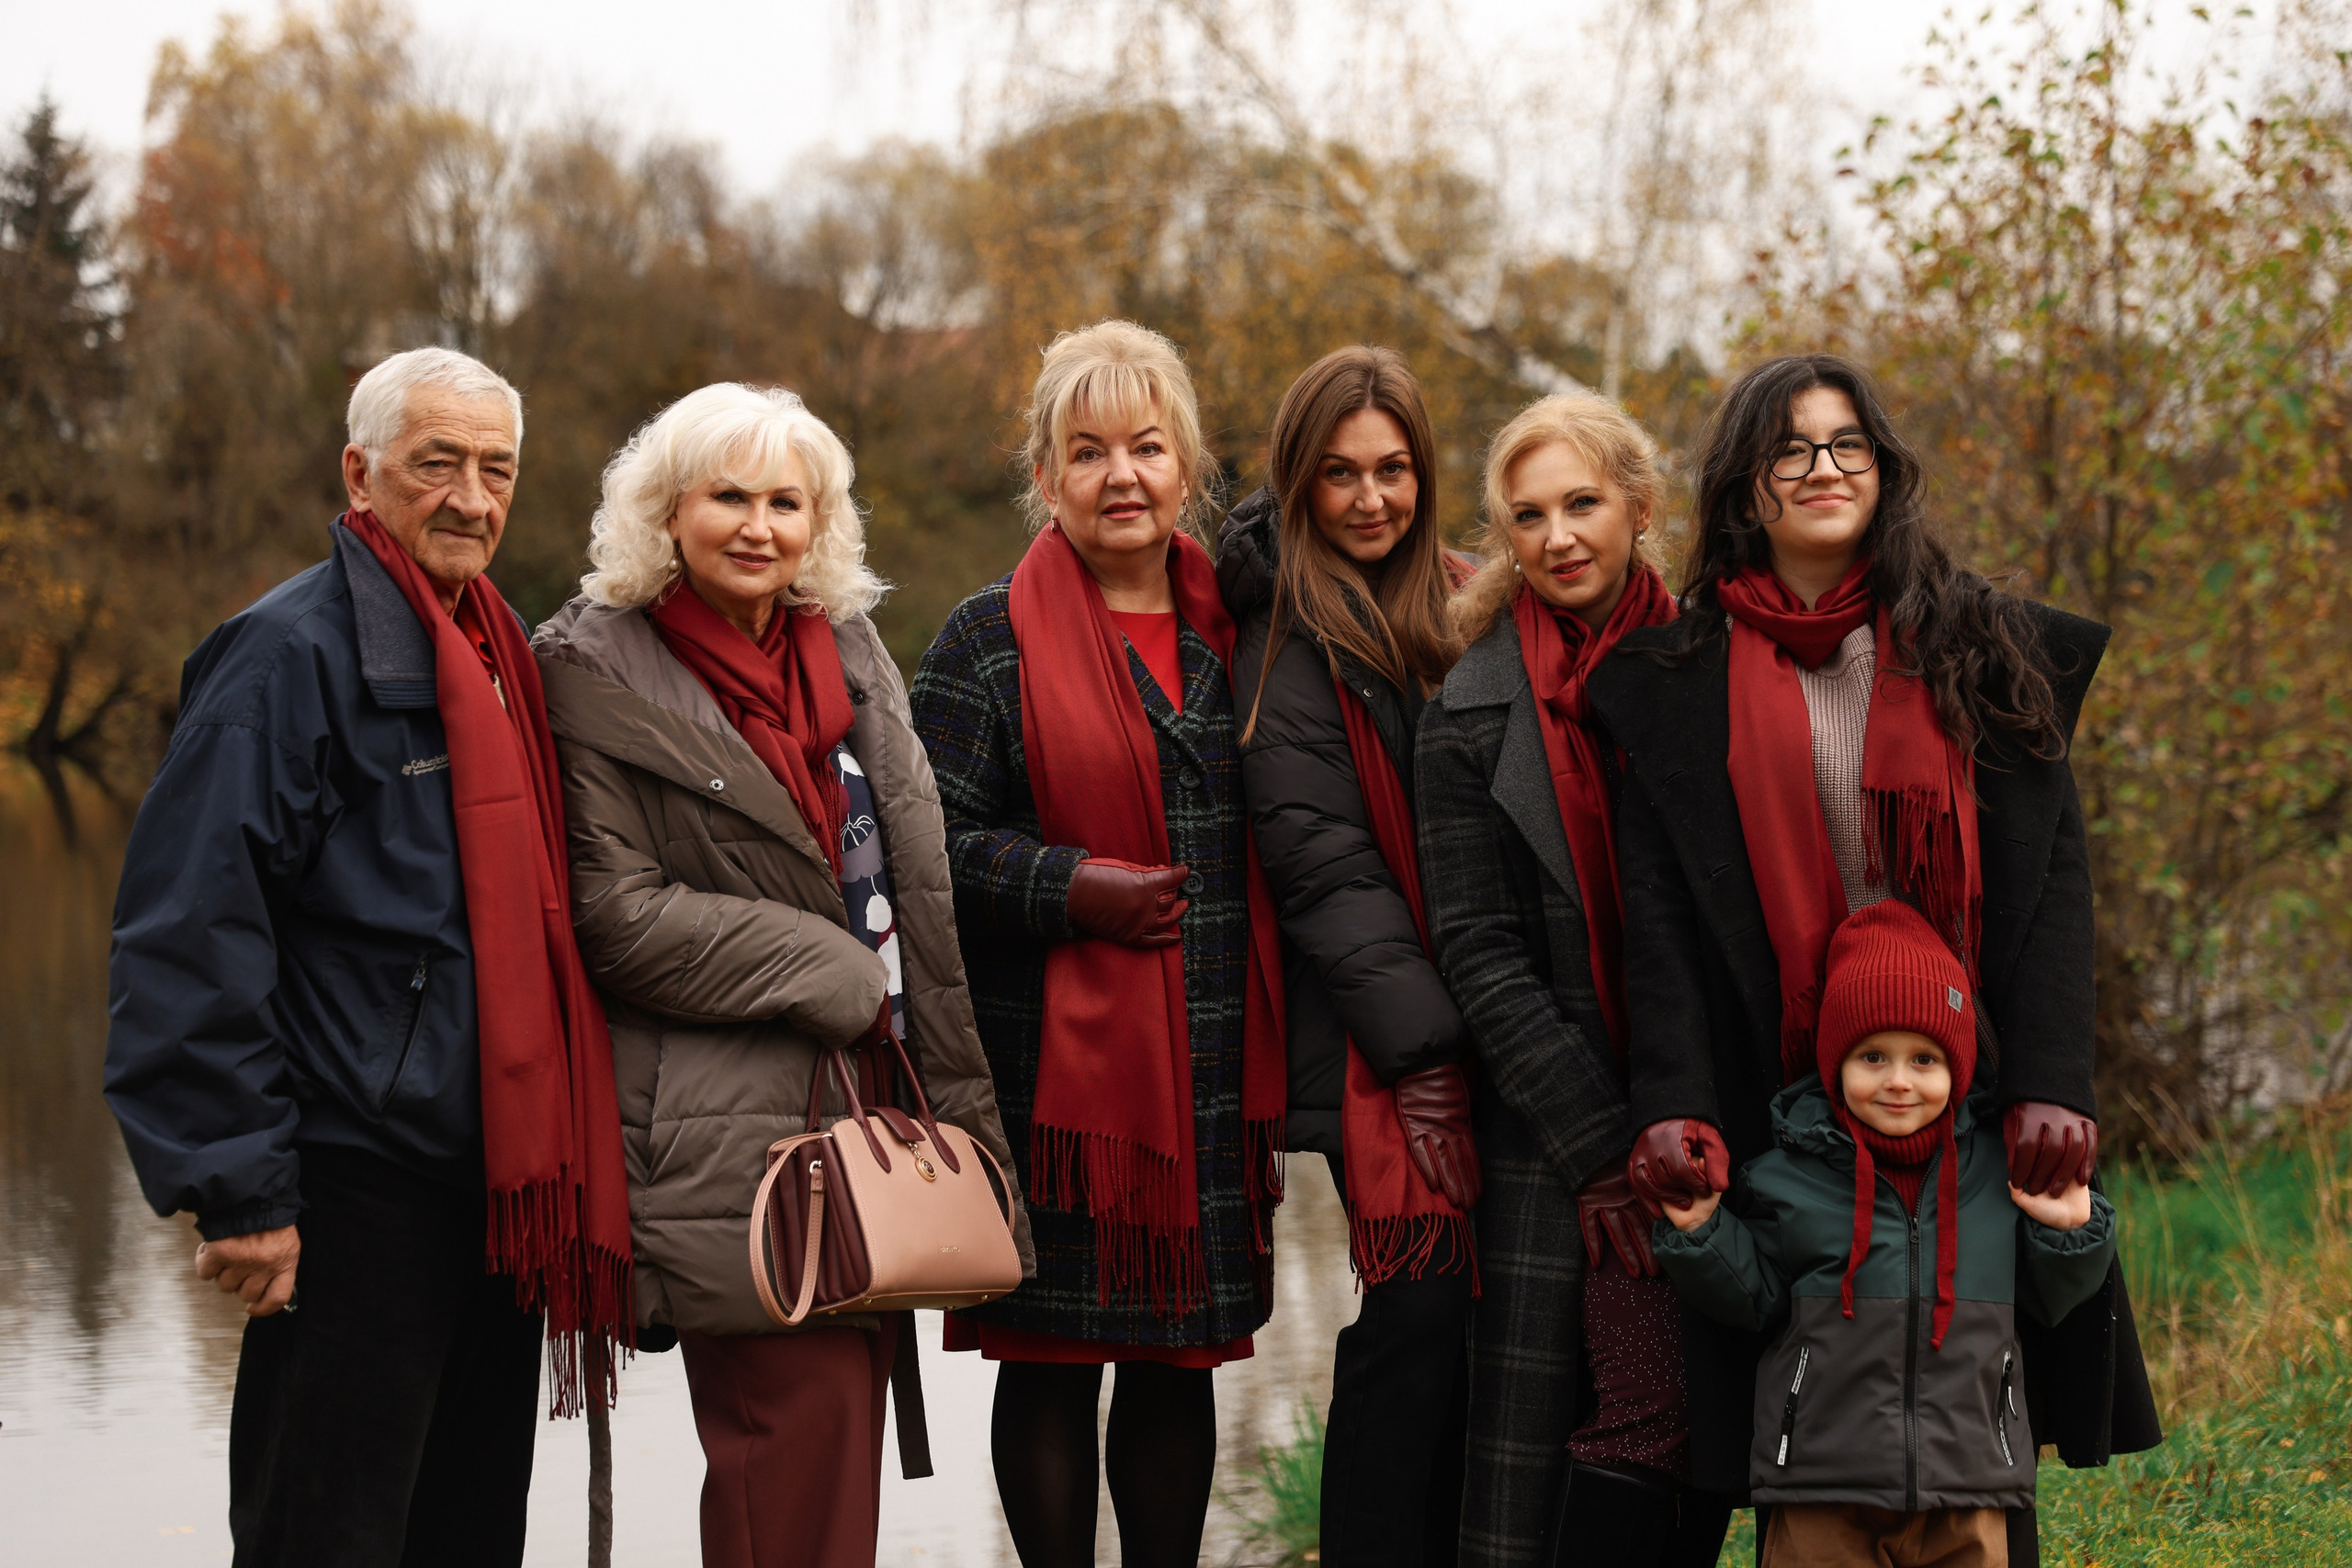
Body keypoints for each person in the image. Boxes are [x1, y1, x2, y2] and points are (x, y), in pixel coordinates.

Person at [1587, 354, 2160, 1562]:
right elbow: (1667, 934)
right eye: (1789, 448)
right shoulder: (1675, 685)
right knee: (1795, 1418)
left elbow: (2056, 888)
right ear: (1746, 486)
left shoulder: (1984, 649)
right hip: (1784, 1096)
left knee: (1979, 1389)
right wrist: (1675, 1104)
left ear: (1883, 468)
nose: (1821, 467)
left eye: (1846, 443)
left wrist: (2057, 1080)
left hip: (1960, 1084)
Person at [104, 346, 632, 1567]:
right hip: (352, 1182)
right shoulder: (286, 655)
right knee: (325, 1536)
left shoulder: (502, 651)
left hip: (497, 1187)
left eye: (495, 469)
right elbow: (189, 924)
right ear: (359, 471)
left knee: (465, 1536)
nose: (471, 497)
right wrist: (239, 1186)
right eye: (434, 463)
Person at [530, 382, 1032, 1568]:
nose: (758, 526)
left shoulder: (843, 651)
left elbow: (917, 891)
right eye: (727, 497)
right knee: (789, 1447)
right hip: (724, 1127)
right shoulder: (596, 667)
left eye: (784, 500)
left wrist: (953, 1105)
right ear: (665, 510)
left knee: (829, 1455)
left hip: (867, 1112)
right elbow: (616, 911)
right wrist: (830, 968)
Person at [910, 319, 1287, 1568]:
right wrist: (1069, 885)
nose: (1120, 474)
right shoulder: (983, 638)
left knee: (1179, 1362)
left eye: (1146, 445)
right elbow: (928, 851)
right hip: (1053, 1084)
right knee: (1054, 1363)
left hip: (1214, 1062)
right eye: (1087, 451)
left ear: (1187, 462)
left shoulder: (1246, 628)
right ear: (1046, 475)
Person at [1419, 393, 1727, 1568]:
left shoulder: (1714, 673)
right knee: (1535, 1468)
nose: (1557, 539)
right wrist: (1603, 1150)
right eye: (1527, 516)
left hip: (1709, 1098)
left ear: (1639, 508)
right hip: (1552, 1135)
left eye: (1582, 504)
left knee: (1703, 1437)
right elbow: (1479, 958)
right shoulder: (1465, 715)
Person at [1219, 344, 1479, 1566]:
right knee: (1416, 1312)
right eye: (1339, 474)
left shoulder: (1464, 606)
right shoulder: (1279, 642)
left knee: (1483, 1320)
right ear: (1300, 481)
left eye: (1393, 470)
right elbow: (1325, 866)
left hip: (1487, 1010)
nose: (1371, 499)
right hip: (1387, 1044)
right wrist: (1426, 1049)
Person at [1654, 899, 2117, 1568]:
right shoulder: (1787, 1174)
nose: (1898, 1081)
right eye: (1873, 1055)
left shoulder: (1994, 1171)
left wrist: (2073, 1233)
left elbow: (2048, 1300)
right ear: (1836, 1062)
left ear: (1955, 1067)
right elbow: (1753, 1297)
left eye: (1924, 1059)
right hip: (1820, 1481)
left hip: (1970, 1481)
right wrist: (1702, 1235)